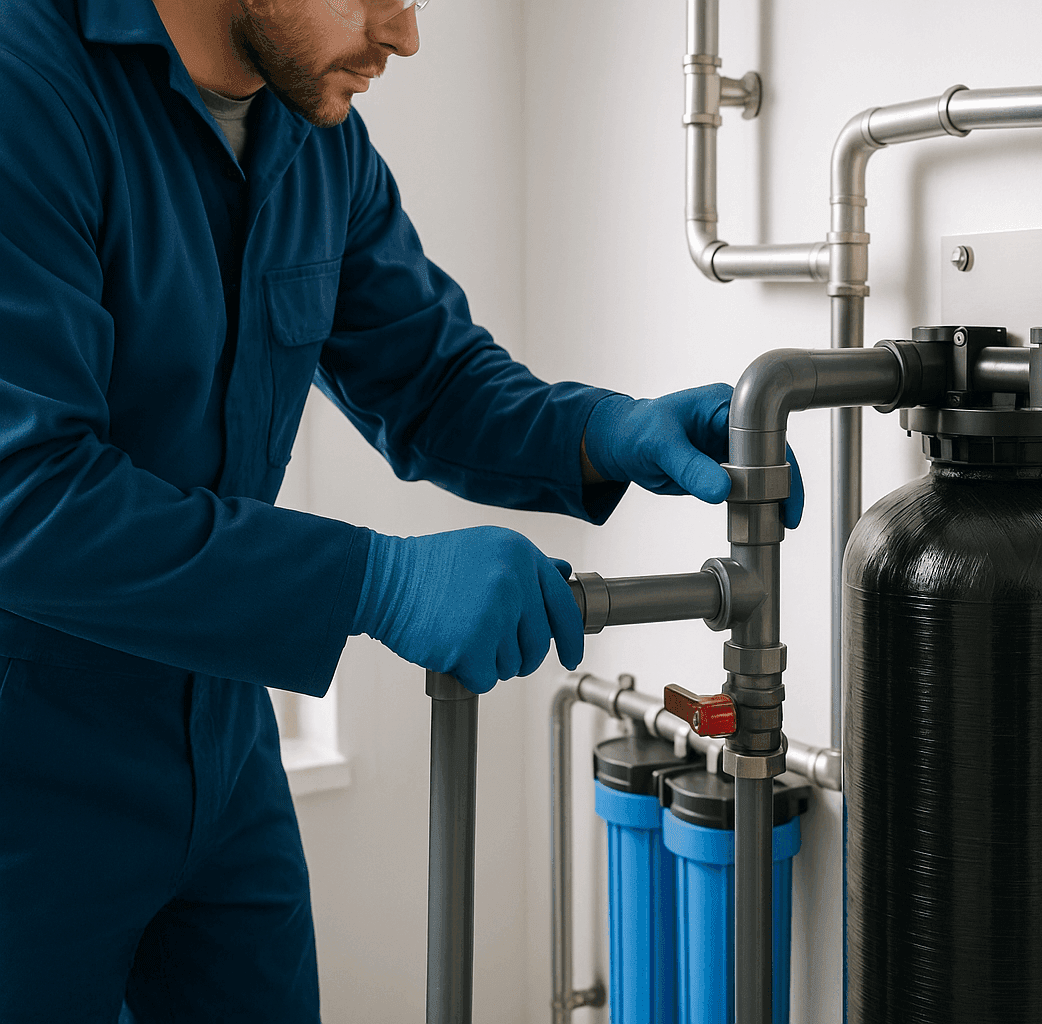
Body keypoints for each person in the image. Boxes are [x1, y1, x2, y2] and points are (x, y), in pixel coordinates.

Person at [0, 1, 802, 1020]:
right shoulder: (28, 83)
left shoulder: (310, 129)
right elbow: (27, 495)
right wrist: (377, 582)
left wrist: (607, 432)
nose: (404, 33)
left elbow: (430, 379)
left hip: (221, 741)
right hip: (28, 761)